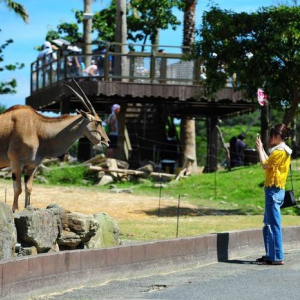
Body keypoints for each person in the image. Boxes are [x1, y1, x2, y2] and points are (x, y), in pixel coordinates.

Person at [255, 124, 292, 265]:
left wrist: (259, 150)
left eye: (272, 135)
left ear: (278, 136)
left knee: (273, 224)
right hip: (275, 190)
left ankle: (276, 256)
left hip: (273, 190)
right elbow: (268, 162)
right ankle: (271, 255)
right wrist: (262, 149)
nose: (269, 138)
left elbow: (264, 165)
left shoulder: (280, 152)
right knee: (269, 224)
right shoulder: (281, 151)